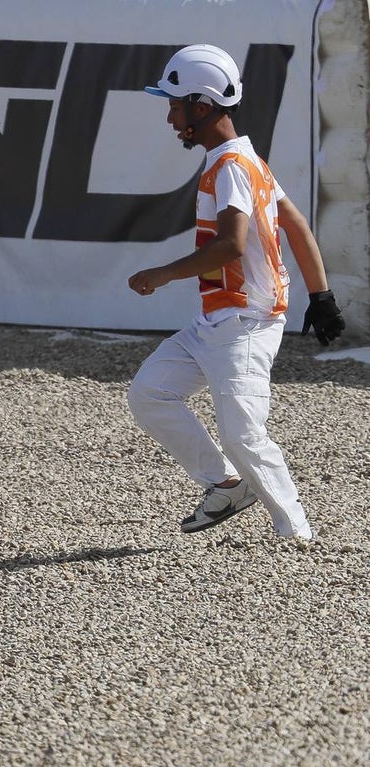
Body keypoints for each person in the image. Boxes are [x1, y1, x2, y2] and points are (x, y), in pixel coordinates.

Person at [127, 44, 346, 539]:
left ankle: (297, 536)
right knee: (149, 394)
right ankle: (225, 484)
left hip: (245, 323)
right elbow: (295, 225)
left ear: (201, 108)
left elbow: (230, 245)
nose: (169, 117)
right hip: (218, 322)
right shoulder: (248, 160)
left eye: (174, 105)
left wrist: (160, 275)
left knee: (244, 435)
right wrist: (321, 297)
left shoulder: (230, 166)